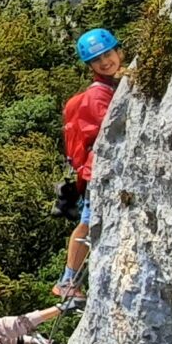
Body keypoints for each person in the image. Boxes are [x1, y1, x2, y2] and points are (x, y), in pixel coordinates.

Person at [55, 28, 126, 303]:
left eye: (108, 54)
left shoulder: (115, 84)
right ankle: (67, 280)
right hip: (97, 171)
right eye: (97, 59)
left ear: (119, 51)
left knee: (88, 222)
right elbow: (109, 129)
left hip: (98, 169)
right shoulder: (98, 94)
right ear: (90, 66)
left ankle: (68, 279)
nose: (105, 61)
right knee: (87, 222)